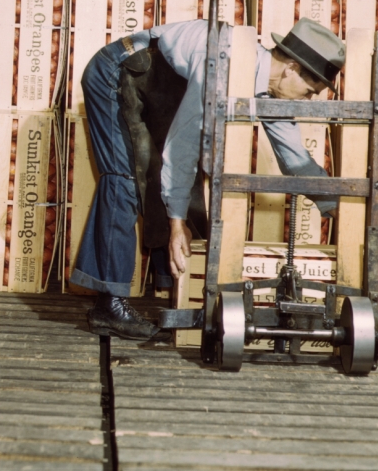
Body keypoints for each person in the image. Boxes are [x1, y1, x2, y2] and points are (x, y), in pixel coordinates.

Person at [69, 17, 346, 340]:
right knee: (126, 176)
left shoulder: (269, 91)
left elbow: (295, 158)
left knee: (174, 181)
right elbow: (183, 147)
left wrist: (338, 206)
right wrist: (175, 223)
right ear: (292, 69)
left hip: (163, 84)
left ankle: (175, 287)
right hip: (120, 71)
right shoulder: (223, 63)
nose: (309, 99)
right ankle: (108, 303)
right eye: (310, 91)